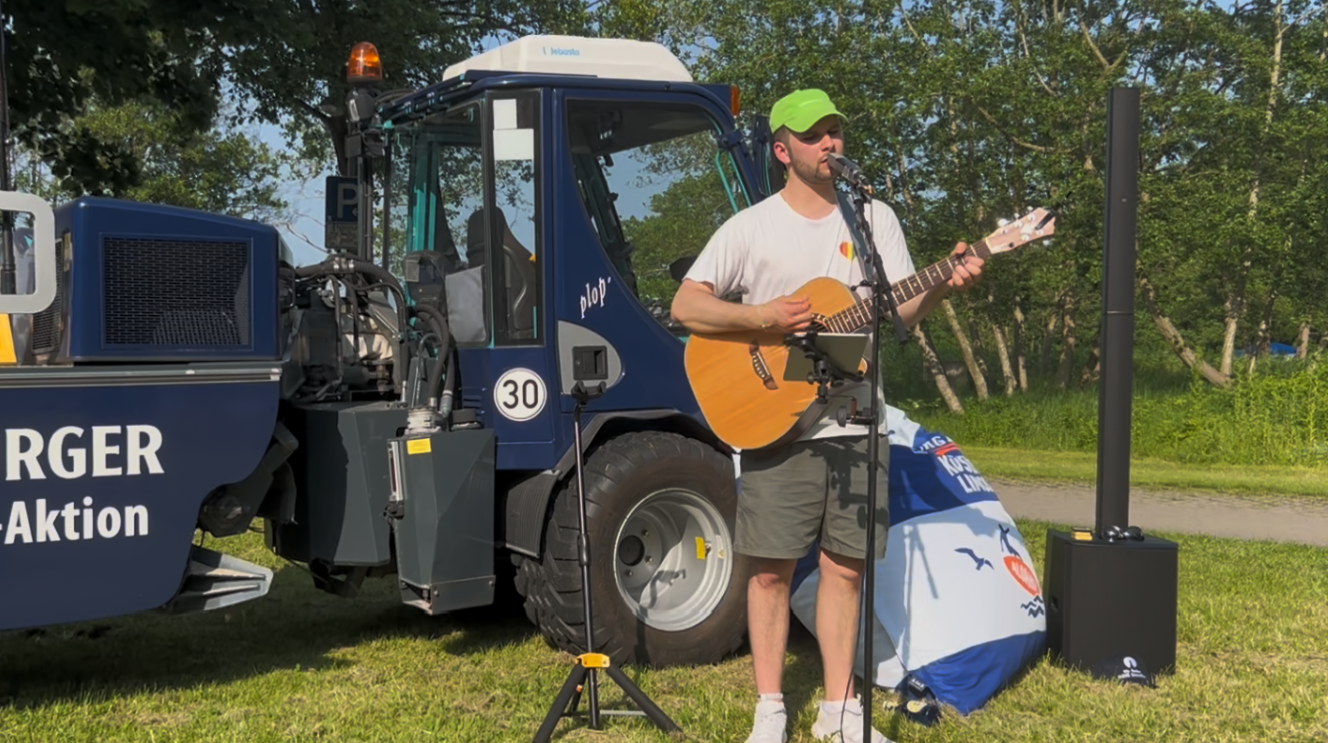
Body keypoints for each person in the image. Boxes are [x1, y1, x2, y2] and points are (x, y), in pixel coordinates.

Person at [670, 89, 984, 743]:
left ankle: (841, 713)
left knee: (846, 567)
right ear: (783, 149)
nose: (830, 143)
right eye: (815, 135)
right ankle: (770, 711)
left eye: (836, 131)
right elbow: (687, 308)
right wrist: (762, 317)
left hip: (856, 419)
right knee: (768, 570)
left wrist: (938, 283)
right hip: (774, 421)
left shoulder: (876, 219)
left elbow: (894, 317)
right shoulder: (751, 227)